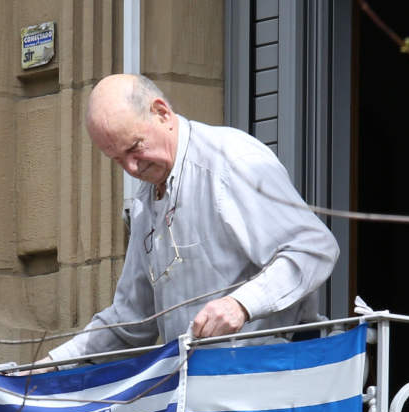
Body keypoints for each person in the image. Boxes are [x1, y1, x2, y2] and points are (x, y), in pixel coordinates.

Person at [42, 73, 340, 363]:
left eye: (135, 148)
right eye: (117, 159)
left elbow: (313, 249)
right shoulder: (147, 198)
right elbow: (133, 321)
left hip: (271, 379)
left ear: (161, 112)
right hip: (202, 391)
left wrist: (241, 305)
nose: (131, 168)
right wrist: (50, 365)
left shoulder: (231, 160)